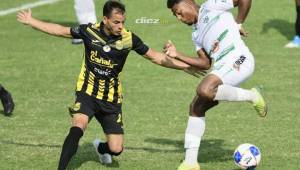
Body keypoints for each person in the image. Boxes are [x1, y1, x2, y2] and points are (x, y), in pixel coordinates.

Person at [17, 1, 202, 169]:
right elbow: (59, 30)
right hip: (87, 93)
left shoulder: (128, 39)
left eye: (122, 22)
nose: (121, 26)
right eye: (116, 22)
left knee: (116, 148)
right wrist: (32, 21)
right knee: (77, 127)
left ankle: (101, 148)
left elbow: (156, 57)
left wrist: (185, 66)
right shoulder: (88, 31)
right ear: (105, 19)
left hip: (111, 99)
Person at [164, 0, 268, 169]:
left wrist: (238, 23)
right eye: (175, 15)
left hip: (239, 59)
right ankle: (190, 163)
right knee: (196, 107)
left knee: (204, 89)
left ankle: (252, 96)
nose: (178, 17)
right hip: (222, 67)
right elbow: (205, 64)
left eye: (178, 11)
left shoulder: (211, 5)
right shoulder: (195, 34)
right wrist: (177, 54)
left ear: (188, 2)